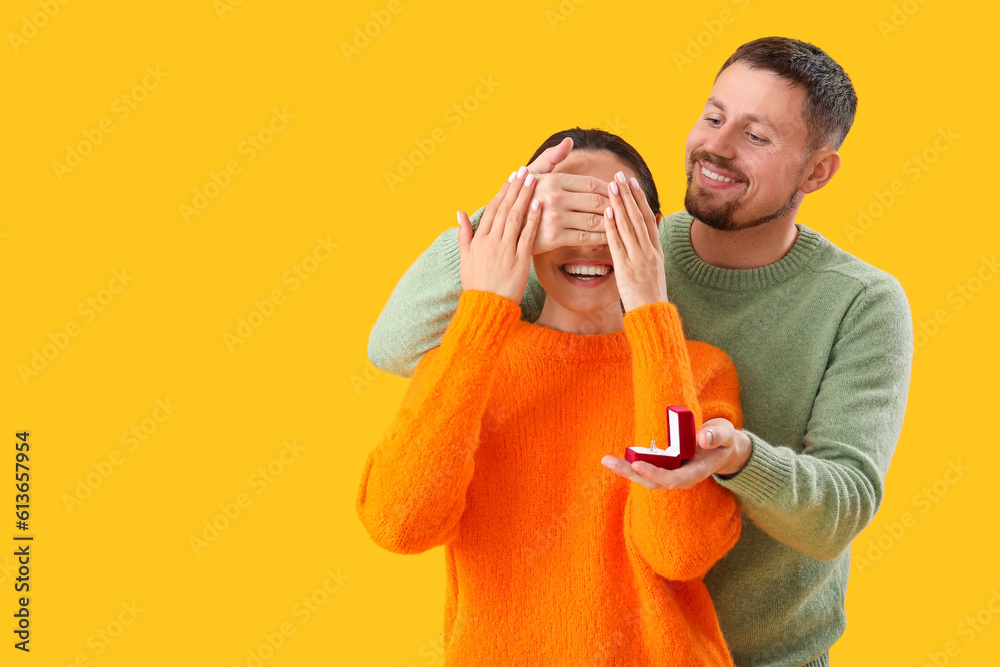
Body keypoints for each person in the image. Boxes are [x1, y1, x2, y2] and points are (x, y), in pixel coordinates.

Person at [367, 37, 914, 667]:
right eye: (713, 116)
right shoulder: (595, 244)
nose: (717, 146)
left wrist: (736, 455)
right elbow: (400, 345)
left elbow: (837, 511)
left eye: (756, 135)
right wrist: (517, 206)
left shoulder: (856, 302)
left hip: (765, 653)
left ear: (817, 171)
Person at [357, 129, 746, 665]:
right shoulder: (466, 361)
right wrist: (484, 304)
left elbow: (678, 549)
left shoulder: (698, 370)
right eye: (561, 215)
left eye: (611, 216)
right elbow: (399, 525)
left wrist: (652, 313)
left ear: (652, 233)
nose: (587, 242)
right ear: (523, 226)